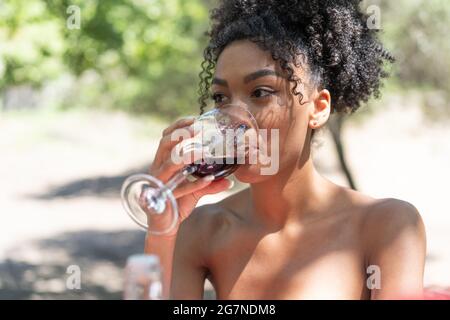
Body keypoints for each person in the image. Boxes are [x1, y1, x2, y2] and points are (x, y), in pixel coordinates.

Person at [145, 0, 426, 299]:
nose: (233, 118)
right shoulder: (201, 230)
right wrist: (161, 228)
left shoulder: (389, 226)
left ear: (318, 108)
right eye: (221, 98)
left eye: (261, 92)